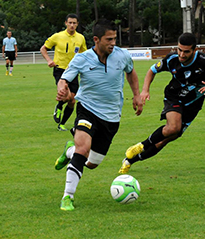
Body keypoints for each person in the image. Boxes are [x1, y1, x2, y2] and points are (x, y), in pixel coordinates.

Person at [118, 32, 205, 174]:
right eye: (179, 50)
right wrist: (145, 90)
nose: (181, 54)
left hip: (193, 105)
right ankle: (140, 145)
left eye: (186, 52)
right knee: (173, 128)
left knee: (166, 139)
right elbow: (152, 70)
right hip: (174, 97)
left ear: (195, 50)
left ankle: (129, 161)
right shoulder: (172, 59)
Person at [54, 19, 143, 211]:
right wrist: (62, 90)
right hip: (87, 108)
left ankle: (69, 151)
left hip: (111, 117)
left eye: (114, 39)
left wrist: (136, 95)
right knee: (83, 148)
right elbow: (64, 80)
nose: (113, 43)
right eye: (108, 39)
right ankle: (67, 197)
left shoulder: (122, 56)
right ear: (96, 39)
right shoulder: (82, 59)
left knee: (92, 163)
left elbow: (131, 73)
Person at [40, 13, 87, 131]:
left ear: (77, 24)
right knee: (66, 96)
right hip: (60, 69)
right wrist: (49, 60)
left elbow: (84, 54)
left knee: (72, 100)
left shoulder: (80, 38)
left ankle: (61, 124)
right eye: (70, 22)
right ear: (66, 23)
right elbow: (43, 48)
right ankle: (59, 106)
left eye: (74, 23)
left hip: (74, 71)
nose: (72, 25)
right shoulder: (57, 36)